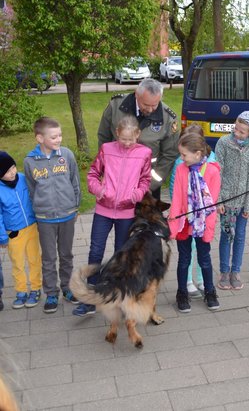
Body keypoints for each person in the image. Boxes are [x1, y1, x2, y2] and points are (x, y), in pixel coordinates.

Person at [73, 116, 152, 316]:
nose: (126, 143)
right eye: (123, 139)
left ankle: (118, 297)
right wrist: (99, 191)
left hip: (126, 212)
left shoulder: (144, 153)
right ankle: (90, 298)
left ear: (137, 135)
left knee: (121, 255)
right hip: (103, 210)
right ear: (117, 134)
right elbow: (92, 174)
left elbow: (145, 180)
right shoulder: (107, 149)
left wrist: (136, 195)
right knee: (95, 251)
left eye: (130, 139)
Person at [23, 117, 81, 313]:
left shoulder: (67, 155)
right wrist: (38, 210)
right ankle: (51, 293)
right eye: (53, 136)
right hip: (45, 218)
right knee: (48, 258)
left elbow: (75, 182)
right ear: (40, 138)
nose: (58, 139)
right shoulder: (30, 161)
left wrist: (75, 206)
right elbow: (31, 189)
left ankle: (67, 288)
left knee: (66, 255)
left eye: (60, 135)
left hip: (67, 214)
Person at [98, 78, 179, 199]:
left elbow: (170, 155)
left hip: (148, 183)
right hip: (116, 178)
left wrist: (150, 185)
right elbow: (104, 138)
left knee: (146, 218)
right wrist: (105, 170)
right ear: (137, 95)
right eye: (146, 105)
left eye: (155, 105)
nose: (150, 110)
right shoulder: (115, 106)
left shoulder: (168, 118)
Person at [168, 133, 221, 312]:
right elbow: (176, 199)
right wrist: (173, 223)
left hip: (202, 224)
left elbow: (211, 205)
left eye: (184, 155)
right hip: (184, 223)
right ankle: (182, 293)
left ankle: (210, 291)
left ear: (197, 154)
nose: (181, 158)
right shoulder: (181, 169)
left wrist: (209, 229)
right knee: (184, 260)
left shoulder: (212, 172)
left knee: (204, 259)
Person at [215, 111, 249, 291]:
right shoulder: (223, 143)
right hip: (227, 200)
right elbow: (217, 173)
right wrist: (218, 200)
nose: (237, 133)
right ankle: (224, 272)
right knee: (226, 235)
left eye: (242, 132)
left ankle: (235, 272)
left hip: (244, 201)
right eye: (236, 128)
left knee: (240, 236)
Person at [0, 152, 42, 309]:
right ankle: (21, 291)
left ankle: (36, 289)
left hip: (32, 227)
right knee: (17, 263)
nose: (12, 172)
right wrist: (2, 236)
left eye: (12, 167)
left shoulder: (24, 178)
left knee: (34, 259)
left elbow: (36, 195)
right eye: (6, 171)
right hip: (13, 233)